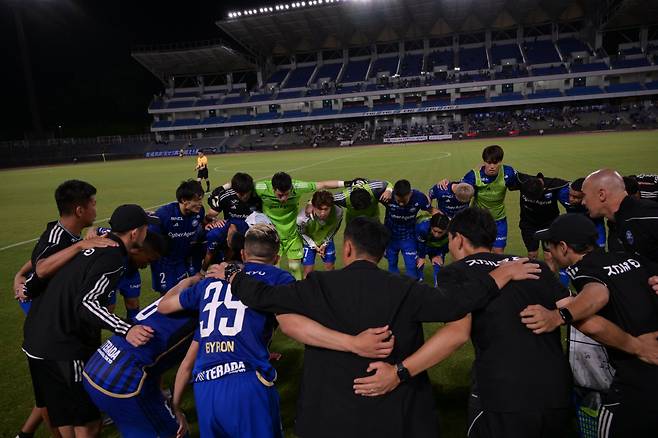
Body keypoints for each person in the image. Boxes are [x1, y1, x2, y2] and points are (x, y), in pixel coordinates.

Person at [223, 217, 541, 438]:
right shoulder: (406, 288)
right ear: (382, 253)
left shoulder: (317, 284)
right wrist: (499, 276)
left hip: (328, 417)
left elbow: (262, 297)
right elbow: (455, 304)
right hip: (397, 417)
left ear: (347, 248)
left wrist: (231, 274)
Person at [158, 224, 395, 437]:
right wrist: (352, 343)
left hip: (205, 388)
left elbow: (165, 306)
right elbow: (292, 326)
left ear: (243, 254)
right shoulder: (278, 277)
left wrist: (192, 280)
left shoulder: (210, 283)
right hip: (246, 383)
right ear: (277, 257)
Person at [354, 207, 573, 438]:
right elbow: (576, 310)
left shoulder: (456, 272)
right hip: (557, 392)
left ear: (458, 239)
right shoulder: (531, 265)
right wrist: (557, 318)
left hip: (504, 396)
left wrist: (398, 373)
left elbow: (457, 334)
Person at [22, 204, 158, 438]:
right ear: (135, 233)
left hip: (36, 340)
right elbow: (87, 303)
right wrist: (127, 328)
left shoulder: (94, 244)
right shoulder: (113, 256)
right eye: (145, 229)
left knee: (64, 417)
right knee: (89, 423)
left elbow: (38, 283)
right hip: (63, 346)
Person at [520, 213, 658, 437]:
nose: (550, 252)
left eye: (550, 245)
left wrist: (559, 316)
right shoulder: (631, 258)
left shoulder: (583, 269)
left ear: (564, 247)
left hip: (639, 377)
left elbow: (597, 297)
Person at [13, 180, 116, 438]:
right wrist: (80, 246)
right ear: (79, 210)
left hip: (43, 334)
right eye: (92, 203)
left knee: (61, 411)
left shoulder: (63, 236)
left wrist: (19, 274)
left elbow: (37, 262)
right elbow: (43, 267)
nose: (96, 207)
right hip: (56, 337)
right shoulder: (60, 238)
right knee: (83, 418)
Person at [227, 171, 346, 280]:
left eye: (287, 194)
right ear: (273, 189)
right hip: (271, 235)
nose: (283, 199)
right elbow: (241, 185)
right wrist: (222, 188)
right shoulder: (261, 187)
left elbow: (322, 185)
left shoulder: (297, 187)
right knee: (273, 269)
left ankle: (299, 293)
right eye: (279, 195)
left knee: (295, 267)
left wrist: (347, 183)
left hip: (292, 234)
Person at [582, 169, 658, 263]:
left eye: (585, 195)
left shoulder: (645, 216)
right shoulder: (622, 219)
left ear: (601, 195)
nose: (583, 202)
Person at [149, 180, 205, 293]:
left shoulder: (199, 212)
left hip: (181, 260)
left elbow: (200, 225)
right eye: (197, 200)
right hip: (164, 262)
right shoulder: (164, 214)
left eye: (201, 199)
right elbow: (150, 239)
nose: (200, 203)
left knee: (182, 292)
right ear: (184, 200)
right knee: (166, 294)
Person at [460, 145, 518, 253]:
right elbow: (461, 190)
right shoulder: (474, 175)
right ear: (484, 162)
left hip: (499, 220)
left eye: (495, 163)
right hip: (479, 220)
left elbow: (524, 182)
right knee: (480, 252)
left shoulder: (508, 173)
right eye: (488, 162)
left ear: (500, 162)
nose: (492, 166)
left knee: (498, 252)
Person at [106, 231, 167, 320]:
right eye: (148, 260)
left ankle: (133, 326)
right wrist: (93, 229)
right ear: (137, 251)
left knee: (133, 304)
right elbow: (103, 230)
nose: (147, 265)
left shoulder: (135, 262)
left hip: (130, 272)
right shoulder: (117, 248)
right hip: (113, 276)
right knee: (109, 309)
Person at [514, 172, 568, 268]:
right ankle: (534, 281)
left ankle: (550, 281)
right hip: (528, 225)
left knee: (549, 257)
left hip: (549, 225)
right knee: (532, 255)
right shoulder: (522, 180)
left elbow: (575, 186)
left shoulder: (554, 185)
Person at [384, 179, 435, 278]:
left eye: (404, 201)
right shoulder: (387, 196)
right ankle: (394, 290)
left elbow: (431, 210)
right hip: (391, 237)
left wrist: (447, 221)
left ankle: (412, 291)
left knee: (412, 268)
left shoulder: (419, 197)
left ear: (410, 194)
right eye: (398, 201)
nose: (401, 204)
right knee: (392, 265)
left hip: (409, 237)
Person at [297, 190, 343, 277]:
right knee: (308, 271)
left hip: (326, 239)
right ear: (313, 206)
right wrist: (313, 245)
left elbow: (335, 228)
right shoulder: (302, 219)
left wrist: (325, 242)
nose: (323, 213)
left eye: (326, 209)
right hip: (308, 241)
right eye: (320, 209)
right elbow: (301, 233)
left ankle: (329, 288)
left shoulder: (338, 212)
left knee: (330, 268)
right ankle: (308, 289)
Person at [557, 178, 606, 247]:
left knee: (598, 251)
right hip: (574, 228)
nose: (571, 199)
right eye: (570, 195)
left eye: (576, 197)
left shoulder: (597, 202)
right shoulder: (563, 194)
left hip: (594, 228)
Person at [415, 213, 450, 286]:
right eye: (434, 231)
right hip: (421, 244)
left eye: (440, 232)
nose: (436, 234)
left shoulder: (452, 231)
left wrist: (439, 255)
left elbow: (448, 246)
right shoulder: (422, 228)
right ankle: (419, 284)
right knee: (419, 264)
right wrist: (421, 256)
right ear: (431, 226)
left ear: (446, 230)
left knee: (438, 265)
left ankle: (438, 288)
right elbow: (420, 244)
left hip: (438, 246)